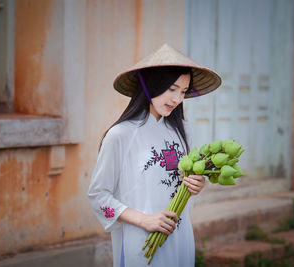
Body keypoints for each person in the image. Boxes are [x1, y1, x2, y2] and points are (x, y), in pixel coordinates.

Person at [88, 44, 222, 267]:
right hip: (140, 242)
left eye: (183, 91)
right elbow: (98, 197)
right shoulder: (121, 135)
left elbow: (179, 184)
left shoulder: (183, 131)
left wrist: (196, 185)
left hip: (179, 238)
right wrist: (145, 220)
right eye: (172, 88)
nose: (177, 98)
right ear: (151, 84)